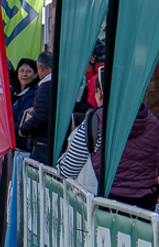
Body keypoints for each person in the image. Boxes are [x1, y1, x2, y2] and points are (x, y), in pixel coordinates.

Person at [57, 69, 159, 209]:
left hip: (106, 207)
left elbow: (67, 171)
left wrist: (63, 157)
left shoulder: (96, 122)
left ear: (99, 93)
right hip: (145, 207)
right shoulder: (153, 122)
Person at [18, 51, 54, 164]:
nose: (25, 74)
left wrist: (23, 129)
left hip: (43, 145)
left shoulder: (46, 87)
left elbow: (41, 117)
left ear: (40, 68)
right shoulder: (59, 84)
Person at [12, 58, 39, 153]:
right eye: (22, 71)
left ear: (36, 74)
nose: (24, 74)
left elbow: (23, 121)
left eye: (29, 71)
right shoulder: (17, 93)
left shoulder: (32, 95)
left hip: (22, 146)